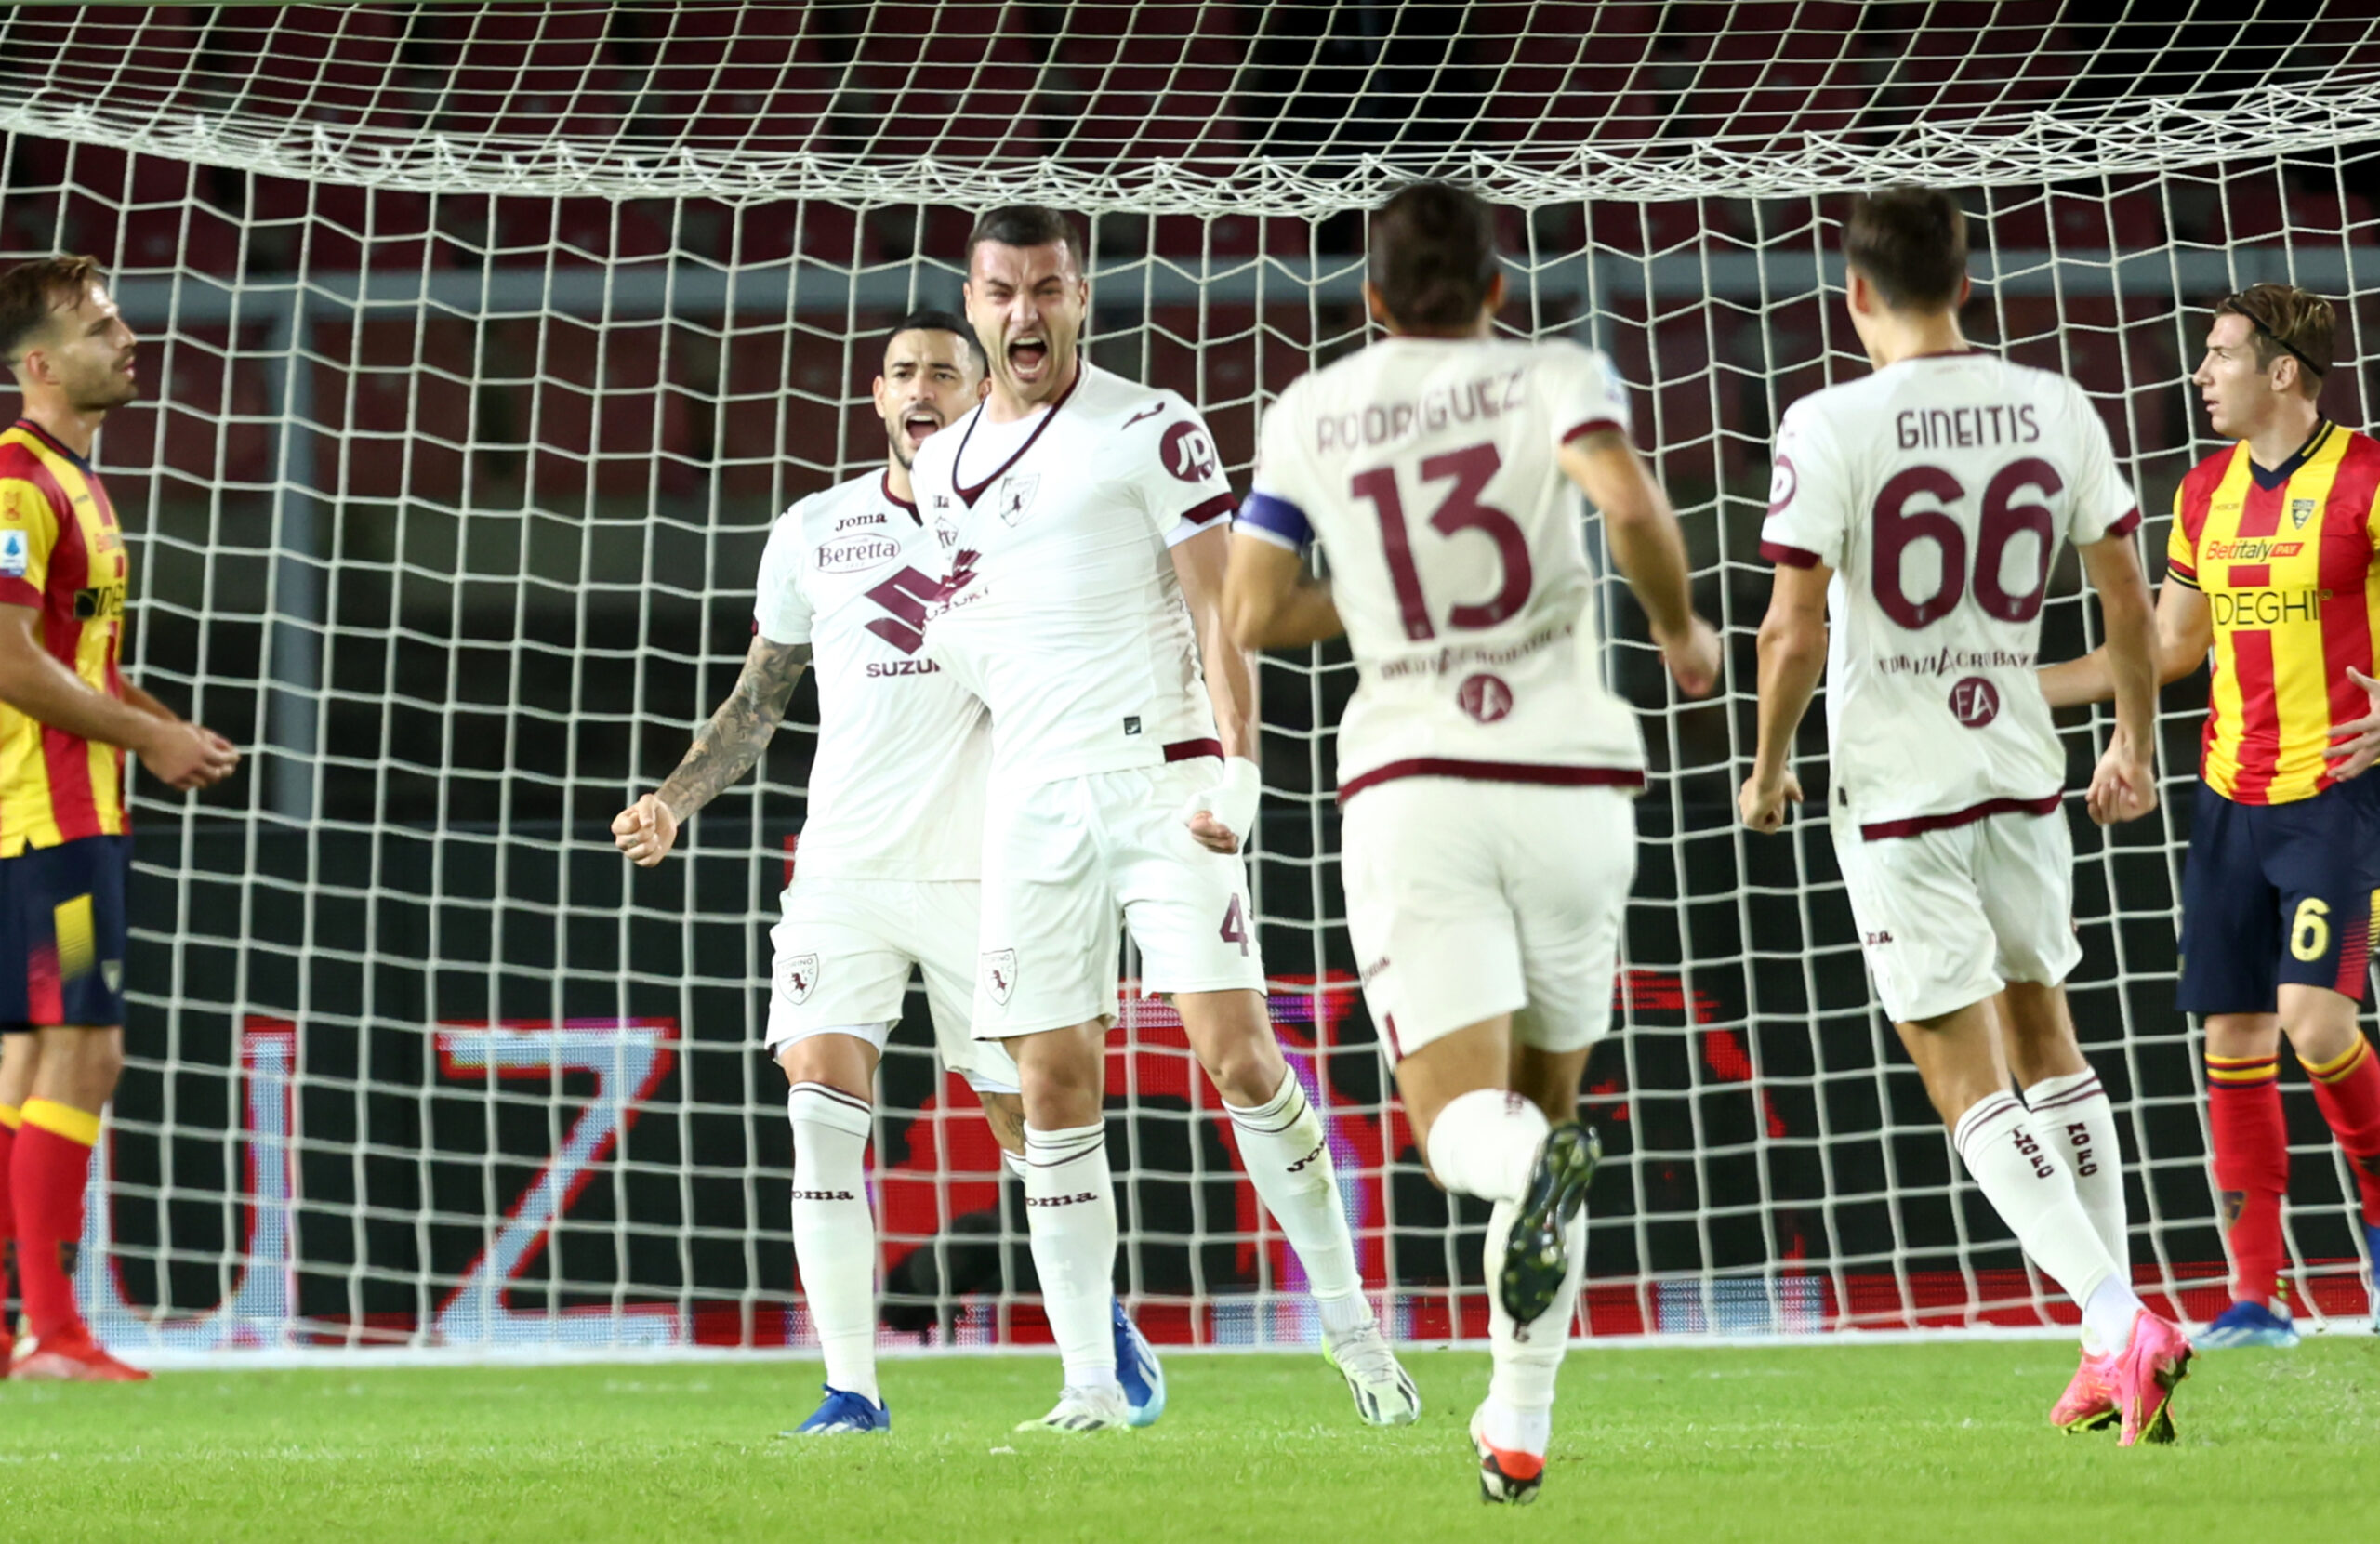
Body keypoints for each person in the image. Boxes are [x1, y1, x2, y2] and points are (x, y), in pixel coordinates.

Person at [1223, 180, 1718, 1502]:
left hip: (1418, 783)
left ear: (1371, 299)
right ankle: (1516, 1422)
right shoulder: (1556, 373)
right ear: (1499, 288)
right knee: (1542, 1112)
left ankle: (1527, 1197)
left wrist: (1387, 599)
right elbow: (1629, 504)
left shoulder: (1313, 408)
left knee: (1465, 1127)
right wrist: (1680, 630)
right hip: (1573, 783)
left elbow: (1252, 610)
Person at [912, 205, 1418, 1433]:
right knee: (1047, 1083)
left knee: (1236, 1054)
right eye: (1001, 291)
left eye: (1047, 289)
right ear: (972, 305)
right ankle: (1091, 1379)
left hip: (1161, 780)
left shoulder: (1151, 426)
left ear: (1081, 296)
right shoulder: (938, 467)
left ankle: (1353, 1330)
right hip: (1033, 795)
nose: (1025, 312)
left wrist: (1238, 770)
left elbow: (1220, 609)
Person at [613, 312, 1164, 1433]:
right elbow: (758, 700)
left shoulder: (1033, 520)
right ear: (876, 395)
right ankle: (851, 1387)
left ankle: (1098, 1331)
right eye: (904, 372)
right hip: (844, 869)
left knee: (1027, 1122)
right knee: (819, 1096)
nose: (922, 389)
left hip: (994, 870)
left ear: (979, 394)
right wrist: (672, 798)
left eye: (944, 374)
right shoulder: (815, 529)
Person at [1739, 188, 2190, 1445]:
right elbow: (2127, 598)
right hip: (2019, 765)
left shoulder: (1826, 421)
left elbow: (1790, 631)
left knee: (1960, 1071)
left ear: (1855, 293)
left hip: (1898, 788)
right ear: (1967, 281)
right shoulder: (2056, 403)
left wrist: (1768, 766)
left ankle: (2116, 1316)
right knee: (2049, 1032)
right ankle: (2108, 1341)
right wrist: (2134, 742)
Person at [2044, 283, 2380, 1347]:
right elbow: (2170, 646)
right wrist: (2020, 687)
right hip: (2230, 795)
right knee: (2232, 1033)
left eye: (2221, 353)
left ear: (2282, 369)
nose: (2200, 373)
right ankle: (2254, 1297)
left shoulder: (2367, 478)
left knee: (2314, 1022)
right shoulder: (2202, 493)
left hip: (2337, 796)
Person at [0, 255, 240, 1381]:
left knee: (27, 1059)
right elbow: (9, 661)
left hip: (60, 815)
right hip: (48, 821)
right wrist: (147, 741)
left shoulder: (76, 478)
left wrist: (160, 722)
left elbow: (76, 657)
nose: (126, 337)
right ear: (40, 365)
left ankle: (25, 1327)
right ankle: (54, 1330)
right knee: (85, 1051)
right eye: (100, 327)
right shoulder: (17, 484)